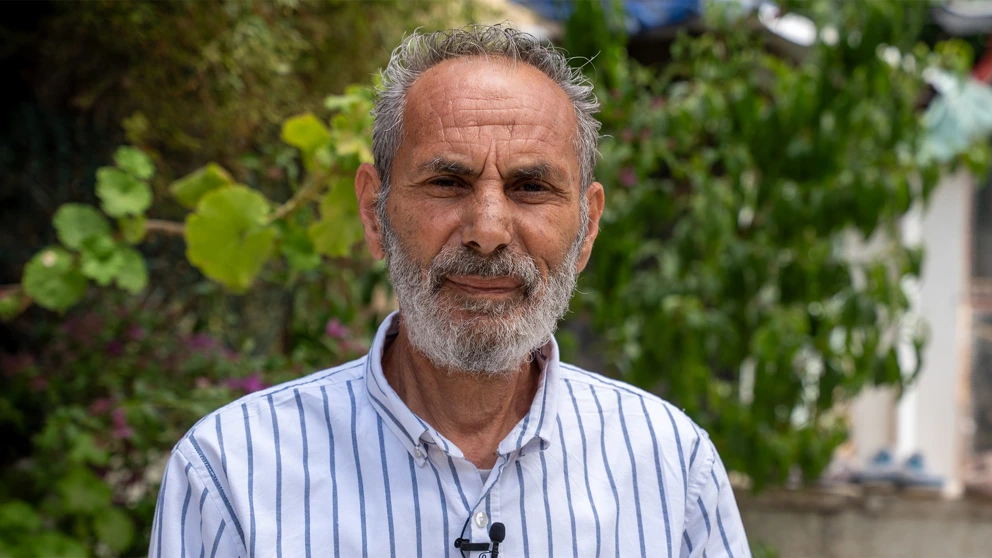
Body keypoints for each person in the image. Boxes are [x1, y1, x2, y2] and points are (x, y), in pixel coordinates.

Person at [150, 24, 749, 558]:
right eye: (446, 181)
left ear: (588, 227)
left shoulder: (672, 467)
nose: (487, 231)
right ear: (373, 212)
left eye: (531, 187)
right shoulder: (229, 473)